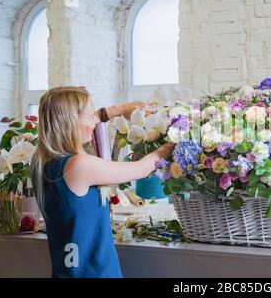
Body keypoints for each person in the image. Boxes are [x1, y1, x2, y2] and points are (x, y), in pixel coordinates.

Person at [30, 86, 174, 278]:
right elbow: (142, 168)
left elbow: (96, 117)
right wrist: (176, 139)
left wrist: (120, 109)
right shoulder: (77, 166)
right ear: (72, 122)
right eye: (90, 116)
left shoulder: (41, 163)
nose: (95, 122)